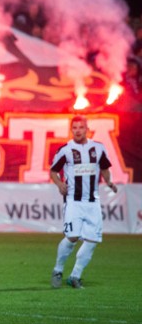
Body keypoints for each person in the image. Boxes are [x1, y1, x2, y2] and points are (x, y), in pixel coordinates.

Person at [49, 115, 118, 289]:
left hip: (92, 201)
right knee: (72, 237)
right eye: (75, 128)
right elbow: (53, 171)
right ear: (71, 130)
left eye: (81, 127)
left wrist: (109, 181)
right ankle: (58, 270)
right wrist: (59, 184)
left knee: (93, 240)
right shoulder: (65, 150)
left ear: (87, 128)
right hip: (73, 200)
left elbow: (104, 168)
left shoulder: (99, 148)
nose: (78, 130)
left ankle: (75, 275)